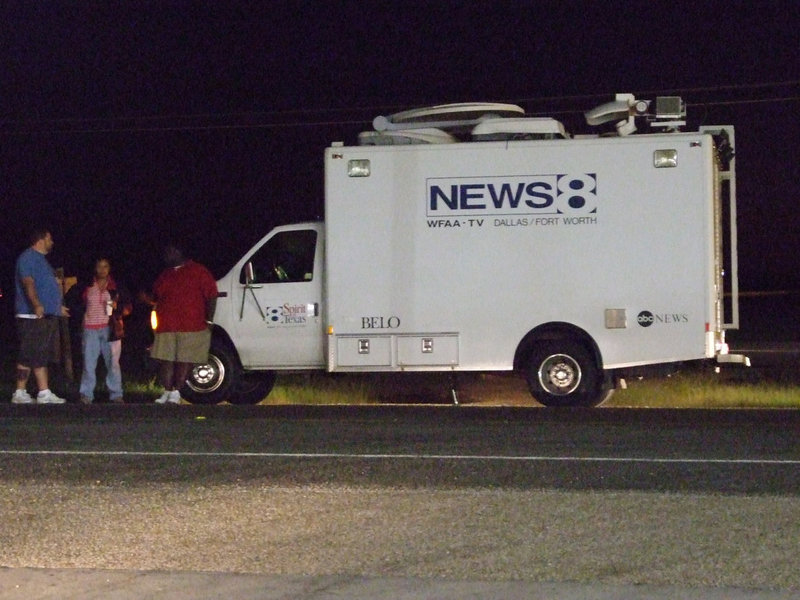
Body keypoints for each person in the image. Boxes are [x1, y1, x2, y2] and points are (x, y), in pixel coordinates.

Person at [150, 244, 218, 404]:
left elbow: (212, 295)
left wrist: (209, 319)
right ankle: (167, 391)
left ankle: (177, 391)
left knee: (184, 360)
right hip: (166, 324)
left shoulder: (198, 271)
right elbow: (156, 296)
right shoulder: (165, 274)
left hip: (192, 325)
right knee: (165, 359)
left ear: (178, 252)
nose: (165, 256)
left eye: (169, 252)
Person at [12, 229, 69, 404]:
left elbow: (47, 287)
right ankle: (21, 392)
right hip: (31, 315)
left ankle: (42, 392)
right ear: (40, 240)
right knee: (29, 353)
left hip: (45, 315)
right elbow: (28, 283)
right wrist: (36, 304)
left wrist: (57, 307)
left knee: (38, 354)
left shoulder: (42, 261)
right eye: (49, 239)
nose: (52, 242)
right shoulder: (28, 258)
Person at [73, 258, 132, 404]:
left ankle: (116, 394)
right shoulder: (87, 286)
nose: (102, 270)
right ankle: (86, 394)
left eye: (105, 266)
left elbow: (128, 308)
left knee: (113, 363)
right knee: (88, 363)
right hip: (90, 329)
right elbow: (75, 302)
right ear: (95, 268)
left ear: (109, 268)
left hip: (110, 330)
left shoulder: (116, 287)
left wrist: (117, 307)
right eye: (99, 266)